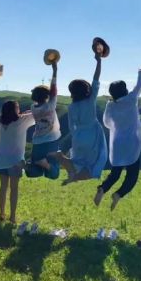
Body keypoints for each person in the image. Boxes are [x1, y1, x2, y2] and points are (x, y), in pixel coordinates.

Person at [95, 63, 141, 210]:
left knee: (115, 174)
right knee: (132, 176)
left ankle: (102, 189)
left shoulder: (110, 106)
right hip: (132, 144)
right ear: (125, 90)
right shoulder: (131, 99)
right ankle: (118, 194)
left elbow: (106, 123)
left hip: (117, 144)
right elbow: (139, 84)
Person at [59, 50, 107, 184]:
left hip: (78, 136)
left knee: (78, 162)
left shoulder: (71, 107)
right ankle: (74, 175)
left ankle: (65, 163)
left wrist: (76, 135)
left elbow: (71, 126)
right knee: (94, 163)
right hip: (92, 134)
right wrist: (99, 61)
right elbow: (96, 80)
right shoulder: (90, 100)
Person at [0, 101, 35, 223]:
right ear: (15, 109)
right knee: (14, 189)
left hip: (1, 159)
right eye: (18, 108)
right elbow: (38, 113)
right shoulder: (21, 120)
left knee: (3, 187)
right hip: (16, 160)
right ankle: (13, 216)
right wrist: (28, 112)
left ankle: (2, 213)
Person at [27, 62, 61, 180]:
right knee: (54, 173)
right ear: (47, 96)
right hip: (51, 141)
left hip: (37, 141)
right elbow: (54, 89)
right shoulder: (50, 106)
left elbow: (52, 92)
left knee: (36, 171)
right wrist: (55, 71)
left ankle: (30, 164)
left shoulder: (33, 108)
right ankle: (45, 164)